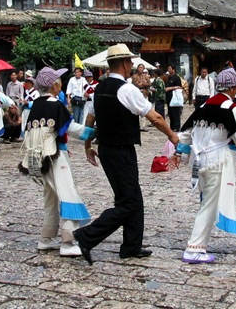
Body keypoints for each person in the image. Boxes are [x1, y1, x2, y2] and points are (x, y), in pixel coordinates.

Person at [73, 44, 180, 265]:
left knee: (133, 197)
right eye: (130, 62)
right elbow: (155, 117)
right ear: (123, 63)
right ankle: (87, 235)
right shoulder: (127, 89)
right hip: (121, 149)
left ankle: (131, 246)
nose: (131, 65)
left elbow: (90, 119)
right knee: (128, 202)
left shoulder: (99, 89)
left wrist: (87, 146)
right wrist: (172, 136)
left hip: (106, 148)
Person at [176, 68, 236, 263]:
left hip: (201, 160)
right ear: (231, 89)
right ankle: (194, 247)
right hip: (218, 161)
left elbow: (187, 132)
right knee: (210, 205)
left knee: (231, 193)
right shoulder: (232, 109)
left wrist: (181, 152)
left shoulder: (204, 105)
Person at [18, 67, 95, 257]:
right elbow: (72, 129)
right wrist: (92, 133)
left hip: (39, 158)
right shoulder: (56, 105)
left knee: (50, 197)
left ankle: (46, 238)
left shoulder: (36, 104)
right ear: (54, 85)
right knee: (67, 195)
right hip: (55, 156)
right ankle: (68, 241)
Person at [165, 64, 184, 131]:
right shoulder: (169, 77)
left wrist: (170, 88)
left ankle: (176, 127)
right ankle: (172, 126)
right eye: (168, 68)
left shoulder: (177, 78)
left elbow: (179, 87)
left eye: (170, 68)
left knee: (175, 112)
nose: (168, 70)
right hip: (169, 98)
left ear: (173, 70)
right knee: (170, 113)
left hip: (175, 98)